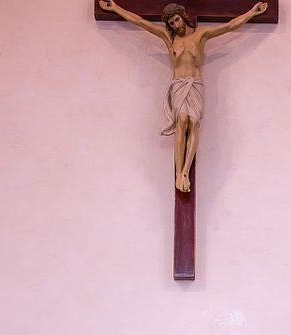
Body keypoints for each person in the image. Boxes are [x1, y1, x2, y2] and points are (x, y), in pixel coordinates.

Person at [98, 0, 269, 193]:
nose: (175, 25)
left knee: (193, 122)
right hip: (179, 85)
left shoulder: (201, 34)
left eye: (177, 20)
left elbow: (230, 26)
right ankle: (179, 172)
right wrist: (115, 8)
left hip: (195, 84)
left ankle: (186, 171)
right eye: (171, 23)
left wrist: (253, 12)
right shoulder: (168, 38)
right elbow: (140, 22)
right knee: (181, 121)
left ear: (183, 17)